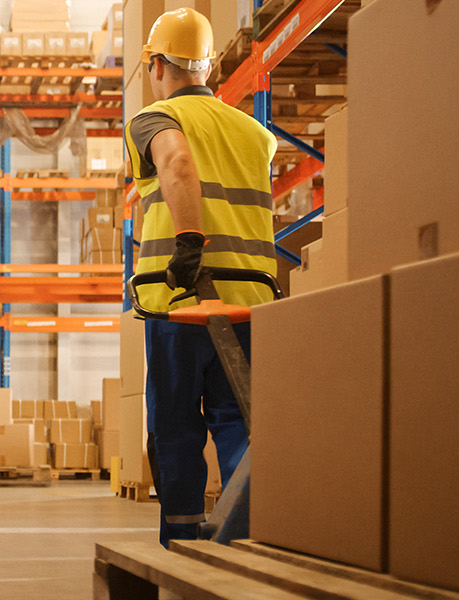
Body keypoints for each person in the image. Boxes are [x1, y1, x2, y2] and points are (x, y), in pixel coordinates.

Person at [124, 8, 278, 547]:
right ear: (209, 68)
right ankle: (243, 542)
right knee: (238, 423)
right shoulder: (257, 136)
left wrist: (189, 242)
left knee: (175, 429)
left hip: (181, 300)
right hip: (249, 301)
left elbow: (178, 165)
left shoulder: (154, 118)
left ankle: (183, 545)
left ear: (156, 65)